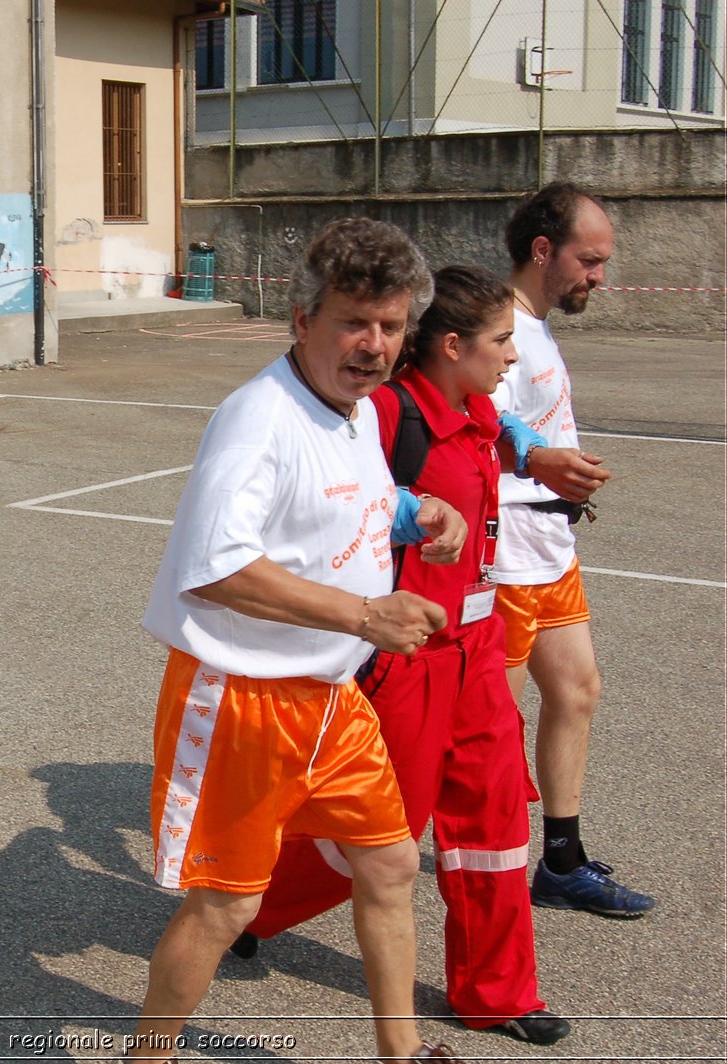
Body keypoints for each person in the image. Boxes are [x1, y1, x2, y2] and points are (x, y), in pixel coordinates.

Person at [130, 218, 471, 1064]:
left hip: (330, 701)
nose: (374, 344)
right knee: (226, 908)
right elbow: (212, 569)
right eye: (354, 321)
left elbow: (345, 497)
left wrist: (415, 510)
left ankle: (402, 1053)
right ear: (301, 319)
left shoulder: (354, 410)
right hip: (241, 699)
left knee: (391, 867)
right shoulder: (256, 418)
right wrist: (363, 618)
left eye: (391, 327)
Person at [231, 266, 570, 1045]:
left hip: (479, 653)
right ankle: (248, 904)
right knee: (378, 835)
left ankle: (497, 992)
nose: (512, 358)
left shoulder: (477, 406)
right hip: (406, 658)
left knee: (492, 826)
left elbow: (496, 436)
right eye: (501, 342)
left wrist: (531, 450)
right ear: (452, 345)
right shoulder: (386, 413)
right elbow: (333, 501)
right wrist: (410, 515)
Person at [495, 183, 654, 916]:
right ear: (542, 250)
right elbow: (473, 422)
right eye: (589, 260)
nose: (598, 275)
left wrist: (561, 472)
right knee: (466, 735)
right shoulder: (496, 323)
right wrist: (539, 462)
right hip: (506, 557)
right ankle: (274, 885)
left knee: (577, 691)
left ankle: (560, 861)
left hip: (551, 545)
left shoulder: (537, 322)